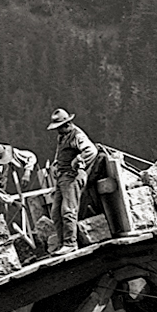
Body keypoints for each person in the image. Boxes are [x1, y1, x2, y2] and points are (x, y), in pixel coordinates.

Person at [47, 108, 99, 253]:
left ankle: (70, 243)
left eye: (60, 127)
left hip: (72, 176)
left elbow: (91, 150)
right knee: (56, 212)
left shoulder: (77, 135)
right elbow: (60, 154)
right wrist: (56, 164)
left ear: (68, 124)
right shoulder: (62, 137)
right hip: (62, 177)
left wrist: (79, 160)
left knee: (68, 210)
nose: (58, 131)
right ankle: (61, 242)